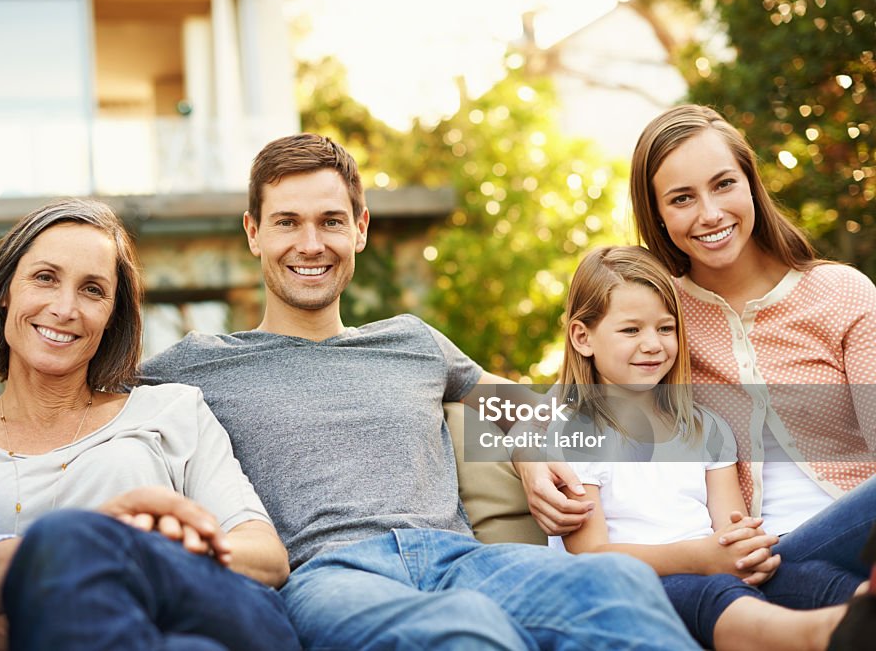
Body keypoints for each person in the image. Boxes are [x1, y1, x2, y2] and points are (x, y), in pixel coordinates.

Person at [140, 133, 698, 649]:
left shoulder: (412, 341)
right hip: (331, 576)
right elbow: (83, 399)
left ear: (359, 228)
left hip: (461, 559)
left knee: (618, 583)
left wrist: (529, 453)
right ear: (253, 232)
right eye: (287, 222)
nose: (311, 244)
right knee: (463, 631)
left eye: (330, 221)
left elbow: (512, 399)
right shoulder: (201, 364)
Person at [0, 199, 299, 651]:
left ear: (111, 317)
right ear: (5, 289)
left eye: (92, 290)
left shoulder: (171, 411)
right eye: (45, 278)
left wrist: (150, 550)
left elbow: (267, 559)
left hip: (209, 607)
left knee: (66, 539)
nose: (65, 308)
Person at [525, 104, 876, 582]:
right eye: (682, 198)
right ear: (659, 215)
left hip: (860, 530)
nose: (710, 214)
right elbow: (565, 401)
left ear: (752, 183)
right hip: (764, 555)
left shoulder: (839, 293)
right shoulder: (662, 319)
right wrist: (529, 459)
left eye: (724, 184)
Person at [549, 246, 860, 651]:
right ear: (582, 337)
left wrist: (742, 550)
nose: (653, 345)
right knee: (711, 596)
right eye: (631, 330)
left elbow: (729, 525)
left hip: (714, 572)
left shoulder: (704, 428)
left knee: (813, 579)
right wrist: (700, 558)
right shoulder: (576, 432)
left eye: (665, 328)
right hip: (633, 588)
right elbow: (591, 554)